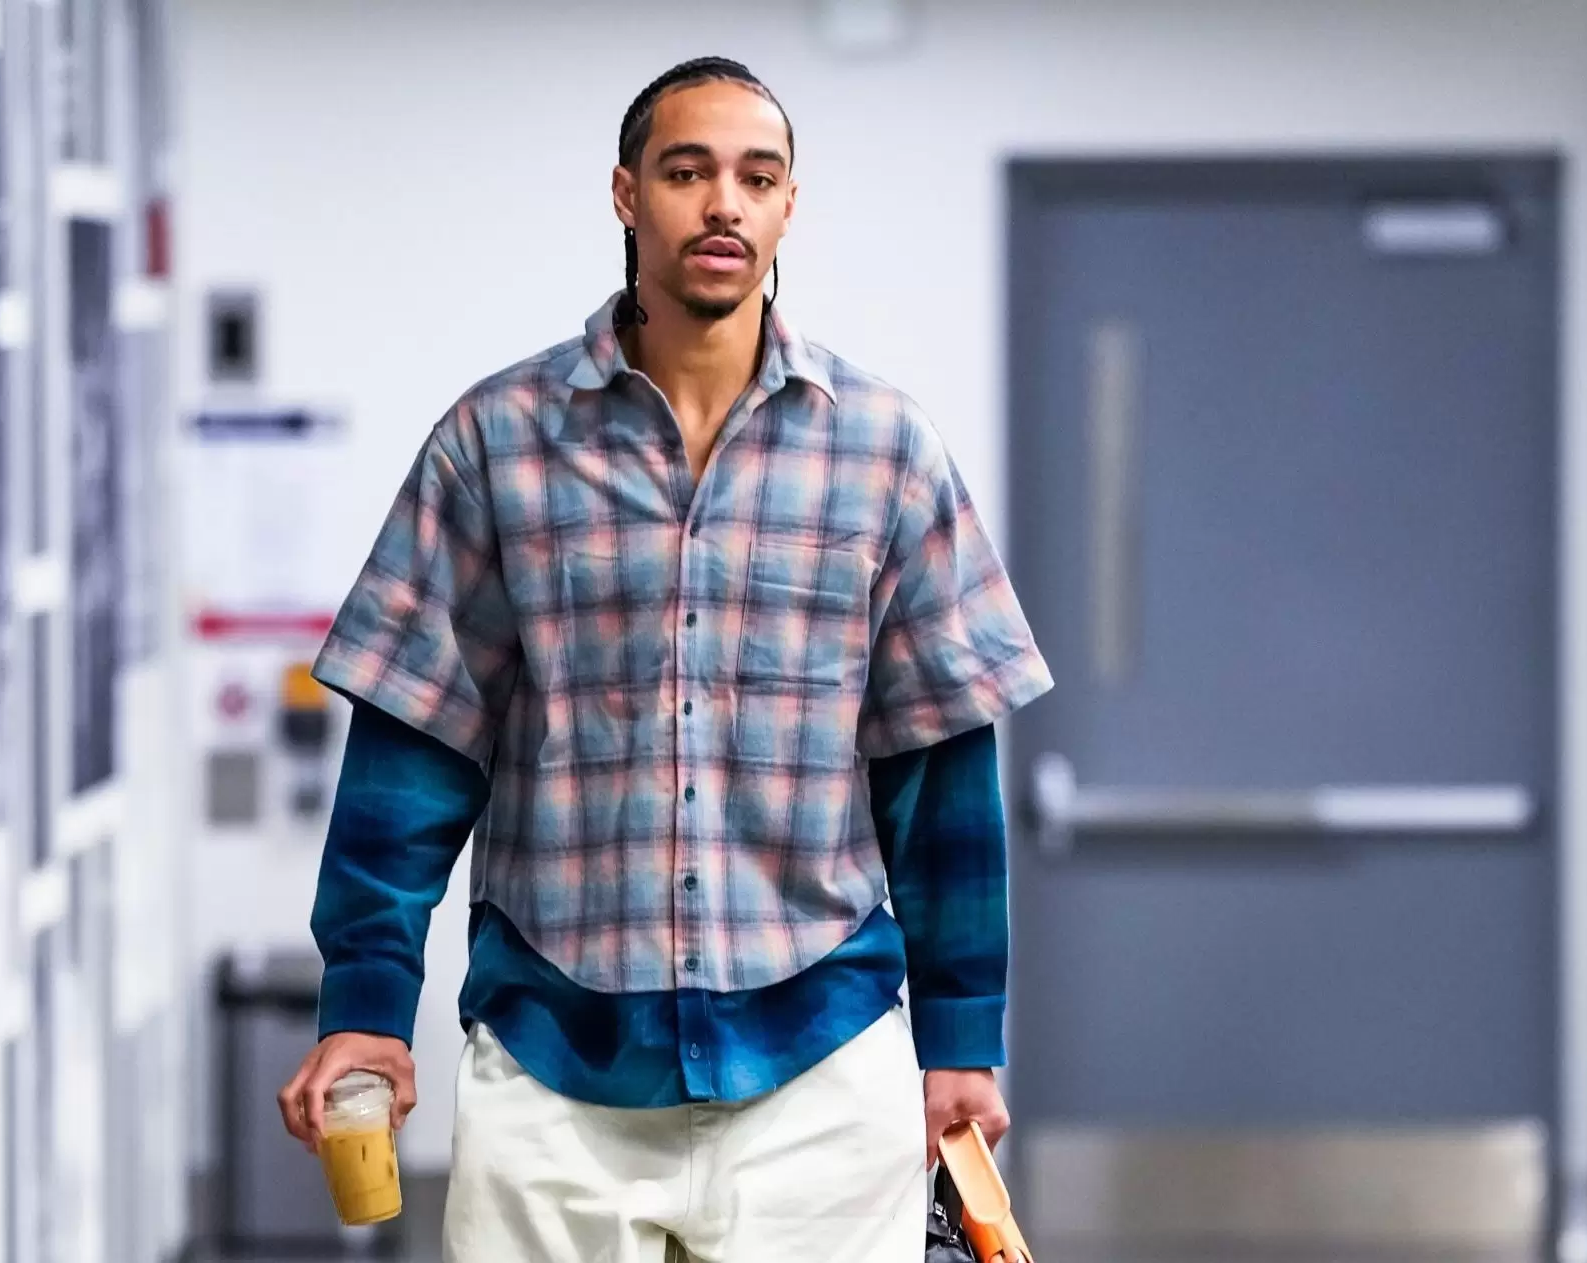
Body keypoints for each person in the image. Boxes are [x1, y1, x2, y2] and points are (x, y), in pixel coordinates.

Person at [277, 55, 1053, 1262]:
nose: (723, 204)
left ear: (788, 206)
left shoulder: (884, 453)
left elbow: (940, 775)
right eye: (687, 172)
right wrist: (365, 1005)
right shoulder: (495, 444)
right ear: (626, 194)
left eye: (757, 177)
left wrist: (961, 1037)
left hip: (822, 1065)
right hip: (551, 1064)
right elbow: (411, 757)